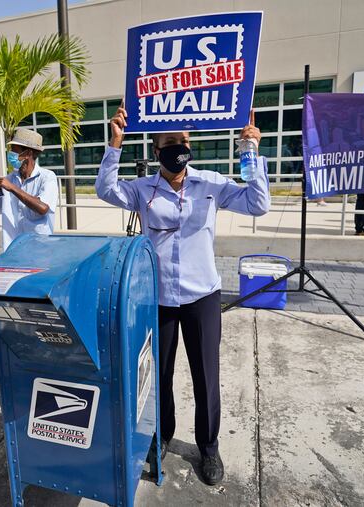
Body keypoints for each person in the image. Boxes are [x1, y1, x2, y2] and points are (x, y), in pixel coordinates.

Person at [95, 105, 269, 486]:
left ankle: (209, 446)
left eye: (184, 141)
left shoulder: (210, 184)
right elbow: (105, 189)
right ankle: (163, 434)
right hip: (157, 299)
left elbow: (258, 204)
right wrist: (115, 144)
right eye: (171, 142)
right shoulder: (142, 190)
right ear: (156, 150)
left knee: (206, 375)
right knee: (160, 374)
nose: (179, 147)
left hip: (202, 296)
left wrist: (250, 152)